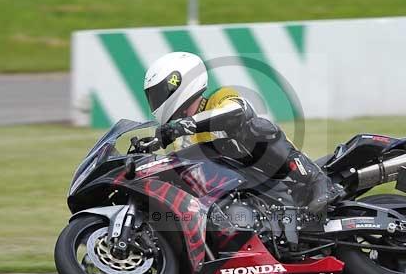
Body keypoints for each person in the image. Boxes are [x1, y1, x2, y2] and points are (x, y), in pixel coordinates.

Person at [142, 51, 344, 214]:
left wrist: (180, 126)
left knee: (255, 127)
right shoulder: (181, 141)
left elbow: (237, 112)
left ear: (176, 84)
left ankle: (319, 180)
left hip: (274, 175)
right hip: (239, 191)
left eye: (158, 93)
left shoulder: (219, 99)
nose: (156, 100)